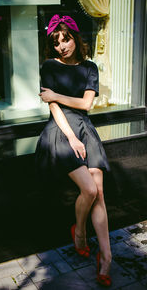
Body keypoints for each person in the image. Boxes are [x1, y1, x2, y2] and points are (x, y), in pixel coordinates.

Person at [35, 14, 112, 287]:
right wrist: (71, 138)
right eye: (56, 41)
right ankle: (79, 232)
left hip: (86, 130)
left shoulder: (90, 67)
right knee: (89, 190)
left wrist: (56, 95)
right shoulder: (49, 66)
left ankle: (106, 258)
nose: (61, 46)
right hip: (61, 130)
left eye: (65, 39)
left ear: (76, 39)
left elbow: (87, 104)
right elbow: (54, 108)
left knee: (99, 192)